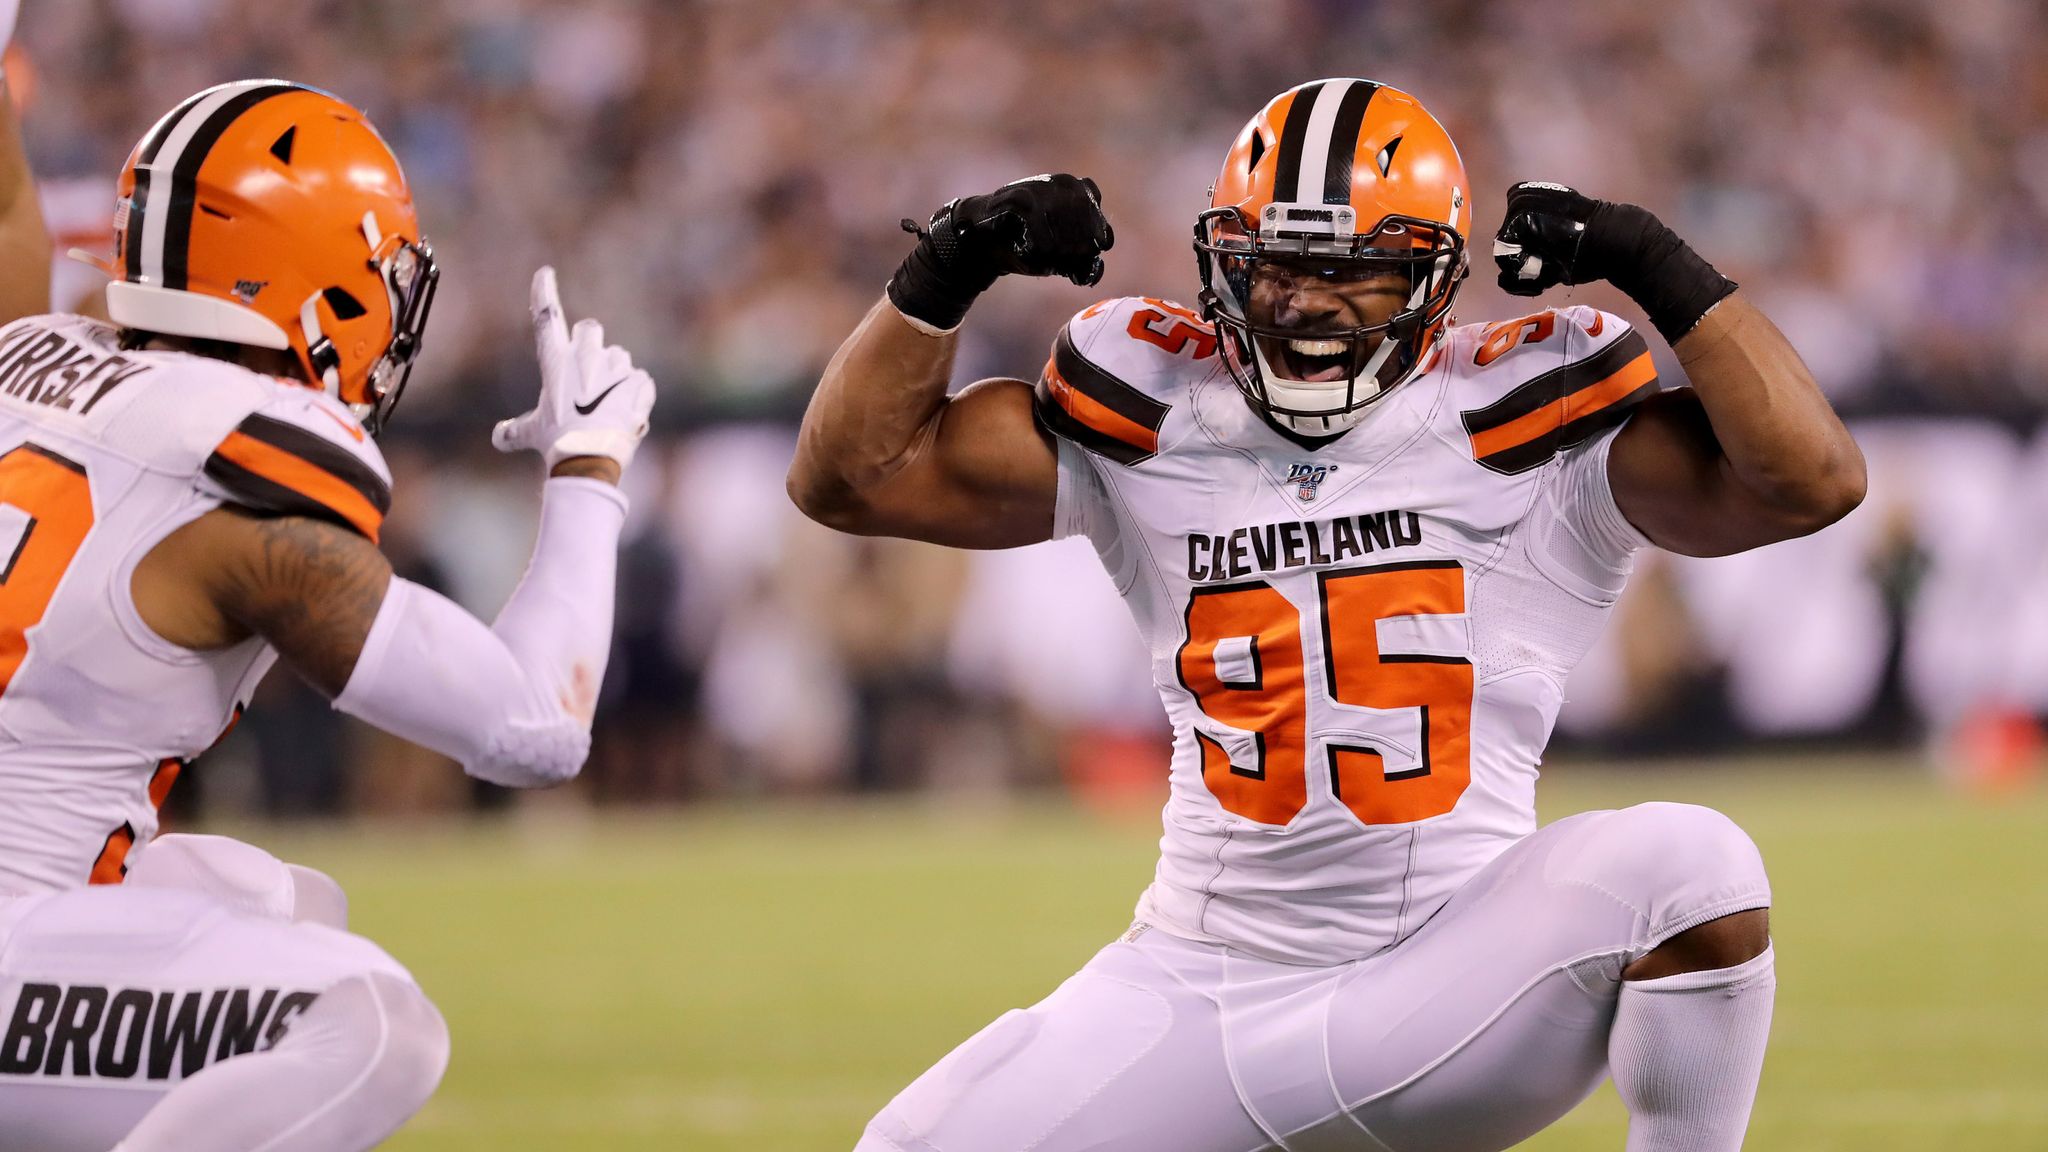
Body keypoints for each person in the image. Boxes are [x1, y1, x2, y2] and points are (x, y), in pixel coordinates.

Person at [789, 78, 1864, 1151]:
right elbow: (851, 478)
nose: (1308, 300)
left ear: (1430, 279)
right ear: (1225, 263)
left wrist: (1658, 267)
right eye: (1278, 265)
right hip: (1196, 981)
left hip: (1453, 982)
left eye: (1357, 270)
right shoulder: (1151, 407)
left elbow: (1807, 481)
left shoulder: (1525, 419)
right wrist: (946, 267)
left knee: (1689, 868)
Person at [0, 78, 655, 1151]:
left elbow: (11, 225)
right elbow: (533, 726)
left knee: (274, 904)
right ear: (327, 290)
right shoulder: (239, 506)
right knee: (371, 1023)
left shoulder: (27, 365)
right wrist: (588, 470)